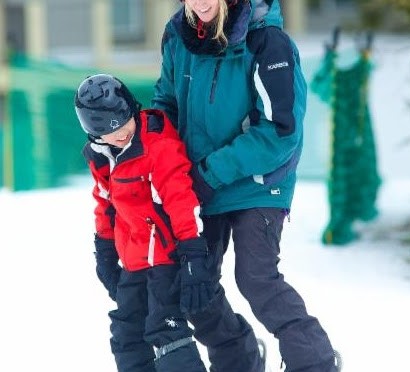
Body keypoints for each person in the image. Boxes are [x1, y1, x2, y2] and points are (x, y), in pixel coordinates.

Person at [152, 1, 339, 371]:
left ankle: (315, 362)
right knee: (194, 286)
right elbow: (166, 106)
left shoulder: (267, 42)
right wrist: (159, 162)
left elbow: (280, 131)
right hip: (200, 180)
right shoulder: (178, 36)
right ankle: (240, 358)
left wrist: (209, 173)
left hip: (258, 179)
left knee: (255, 277)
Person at [74, 73, 217, 372]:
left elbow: (180, 198)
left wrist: (192, 250)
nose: (121, 133)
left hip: (166, 258)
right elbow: (105, 204)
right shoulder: (101, 157)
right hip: (133, 259)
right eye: (109, 132)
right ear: (94, 133)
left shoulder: (156, 143)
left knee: (163, 326)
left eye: (123, 122)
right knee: (127, 331)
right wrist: (105, 252)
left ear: (132, 110)